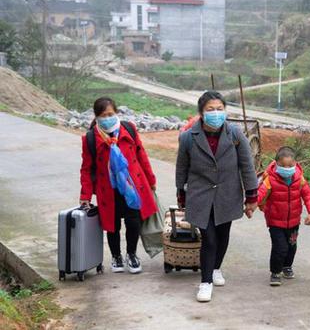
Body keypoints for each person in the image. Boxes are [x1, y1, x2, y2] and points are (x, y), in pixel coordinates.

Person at [176, 91, 258, 302]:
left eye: (219, 109)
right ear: (201, 113)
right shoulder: (188, 137)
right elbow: (181, 167)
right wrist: (181, 194)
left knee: (223, 235)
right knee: (209, 239)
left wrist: (251, 196)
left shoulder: (235, 134)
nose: (215, 113)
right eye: (210, 109)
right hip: (200, 194)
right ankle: (205, 283)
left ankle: (216, 268)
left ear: (225, 111)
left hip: (227, 193)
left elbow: (247, 166)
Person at [80, 97, 158, 274]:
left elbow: (141, 155)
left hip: (131, 186)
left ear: (116, 113)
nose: (107, 118)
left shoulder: (128, 129)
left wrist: (151, 180)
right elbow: (86, 168)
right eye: (103, 115)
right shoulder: (91, 139)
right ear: (96, 117)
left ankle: (132, 254)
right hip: (107, 188)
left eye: (110, 114)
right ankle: (116, 256)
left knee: (133, 221)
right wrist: (85, 194)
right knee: (112, 224)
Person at [257, 146, 310, 286]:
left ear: (295, 163)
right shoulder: (270, 179)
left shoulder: (299, 178)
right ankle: (275, 272)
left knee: (291, 246)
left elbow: (307, 195)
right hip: (275, 221)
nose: (287, 168)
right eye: (283, 165)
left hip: (294, 221)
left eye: (290, 165)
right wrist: (251, 206)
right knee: (280, 247)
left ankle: (287, 266)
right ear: (276, 163)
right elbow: (260, 194)